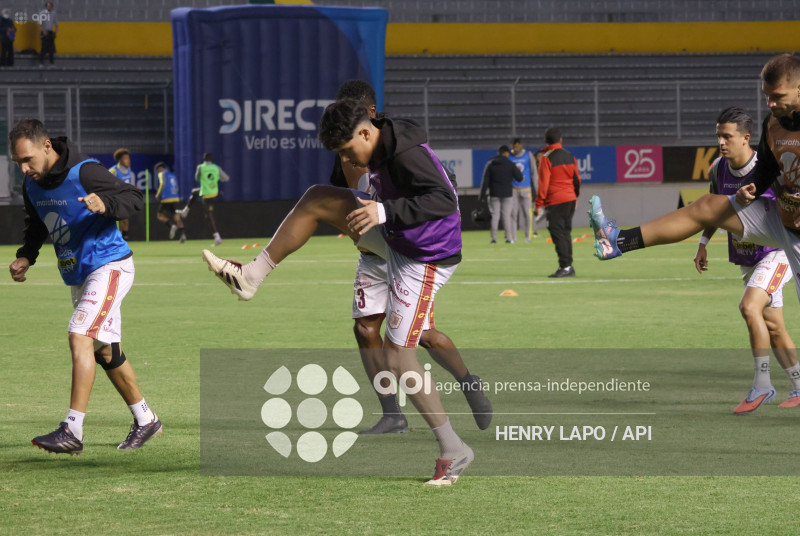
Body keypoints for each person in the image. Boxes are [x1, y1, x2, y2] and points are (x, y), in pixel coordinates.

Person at [202, 99, 474, 486]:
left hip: (425, 257)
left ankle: (454, 449)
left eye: (348, 150)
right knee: (317, 197)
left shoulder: (407, 151)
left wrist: (383, 212)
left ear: (366, 131)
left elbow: (445, 201)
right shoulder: (376, 144)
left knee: (399, 360)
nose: (349, 160)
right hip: (398, 240)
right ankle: (251, 276)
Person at [589, 53, 800, 410]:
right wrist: (755, 186)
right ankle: (618, 240)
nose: (770, 102)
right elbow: (767, 165)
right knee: (707, 206)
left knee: (769, 317)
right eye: (767, 95)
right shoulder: (772, 124)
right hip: (782, 219)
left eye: (778, 95)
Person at [331, 79, 492, 434]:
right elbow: (343, 194)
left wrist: (385, 211)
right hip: (374, 252)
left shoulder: (399, 145)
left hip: (409, 251)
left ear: (369, 115)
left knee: (424, 337)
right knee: (364, 328)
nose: (344, 156)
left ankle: (467, 381)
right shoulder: (346, 145)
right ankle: (392, 414)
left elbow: (440, 191)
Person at [8, 119, 162, 454]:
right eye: (18, 161)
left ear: (46, 146)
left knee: (80, 334)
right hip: (79, 273)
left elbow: (133, 197)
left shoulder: (85, 171)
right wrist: (26, 257)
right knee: (104, 351)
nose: (24, 167)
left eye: (28, 159)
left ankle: (72, 429)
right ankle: (146, 419)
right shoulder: (31, 184)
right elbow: (36, 223)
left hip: (110, 266)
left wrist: (105, 204)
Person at [693, 106, 799, 413]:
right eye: (719, 137)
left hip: (776, 253)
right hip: (747, 258)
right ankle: (798, 383)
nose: (722, 143)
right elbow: (714, 209)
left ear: (746, 138)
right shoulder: (717, 170)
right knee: (773, 325)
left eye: (727, 137)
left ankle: (762, 386)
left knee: (749, 306)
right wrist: (703, 242)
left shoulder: (766, 167)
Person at [537, 127, 581, 278]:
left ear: (546, 141)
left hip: (555, 201)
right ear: (560, 140)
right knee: (566, 233)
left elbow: (543, 184)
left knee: (557, 233)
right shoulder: (570, 156)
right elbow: (576, 180)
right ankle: (569, 266)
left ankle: (566, 266)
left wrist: (538, 204)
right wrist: (575, 197)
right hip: (570, 199)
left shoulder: (546, 158)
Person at [480, 144, 523, 244]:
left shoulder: (490, 163)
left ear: (499, 153)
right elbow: (519, 178)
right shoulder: (510, 164)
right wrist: (518, 171)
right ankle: (508, 238)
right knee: (506, 216)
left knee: (495, 216)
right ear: (506, 153)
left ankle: (493, 238)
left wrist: (482, 196)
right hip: (507, 194)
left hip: (494, 193)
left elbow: (485, 181)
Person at [195, 152, 229, 246]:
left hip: (206, 195)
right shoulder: (216, 167)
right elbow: (225, 178)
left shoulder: (200, 167)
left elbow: (197, 178)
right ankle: (216, 236)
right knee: (208, 216)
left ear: (204, 159)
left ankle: (217, 238)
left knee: (209, 216)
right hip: (214, 194)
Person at [508, 138, 537, 242]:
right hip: (513, 189)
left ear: (520, 145)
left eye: (515, 146)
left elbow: (534, 173)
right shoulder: (509, 156)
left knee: (526, 213)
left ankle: (527, 238)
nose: (514, 149)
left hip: (526, 189)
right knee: (513, 214)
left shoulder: (528, 155)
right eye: (512, 147)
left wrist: (536, 190)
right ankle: (514, 239)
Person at [155, 162, 187, 243]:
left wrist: (158, 194)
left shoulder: (162, 174)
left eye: (158, 170)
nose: (158, 172)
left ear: (160, 168)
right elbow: (176, 186)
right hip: (175, 198)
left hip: (166, 198)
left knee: (160, 215)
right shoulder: (173, 175)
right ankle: (183, 235)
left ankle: (172, 225)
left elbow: (163, 183)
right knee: (177, 218)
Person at [108, 148, 134, 241]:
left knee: (125, 219)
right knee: (116, 221)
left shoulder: (128, 171)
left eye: (129, 158)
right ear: (120, 160)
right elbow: (106, 185)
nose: (129, 161)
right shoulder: (113, 171)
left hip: (124, 199)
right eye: (126, 158)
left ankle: (124, 239)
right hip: (114, 199)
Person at [38, 1, 56, 68]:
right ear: (46, 7)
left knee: (51, 49)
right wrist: (43, 31)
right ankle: (41, 63)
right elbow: (39, 24)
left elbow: (56, 23)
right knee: (43, 48)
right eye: (48, 6)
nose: (49, 7)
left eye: (50, 6)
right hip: (44, 31)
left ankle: (52, 63)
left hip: (50, 32)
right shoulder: (41, 13)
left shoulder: (54, 13)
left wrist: (55, 30)